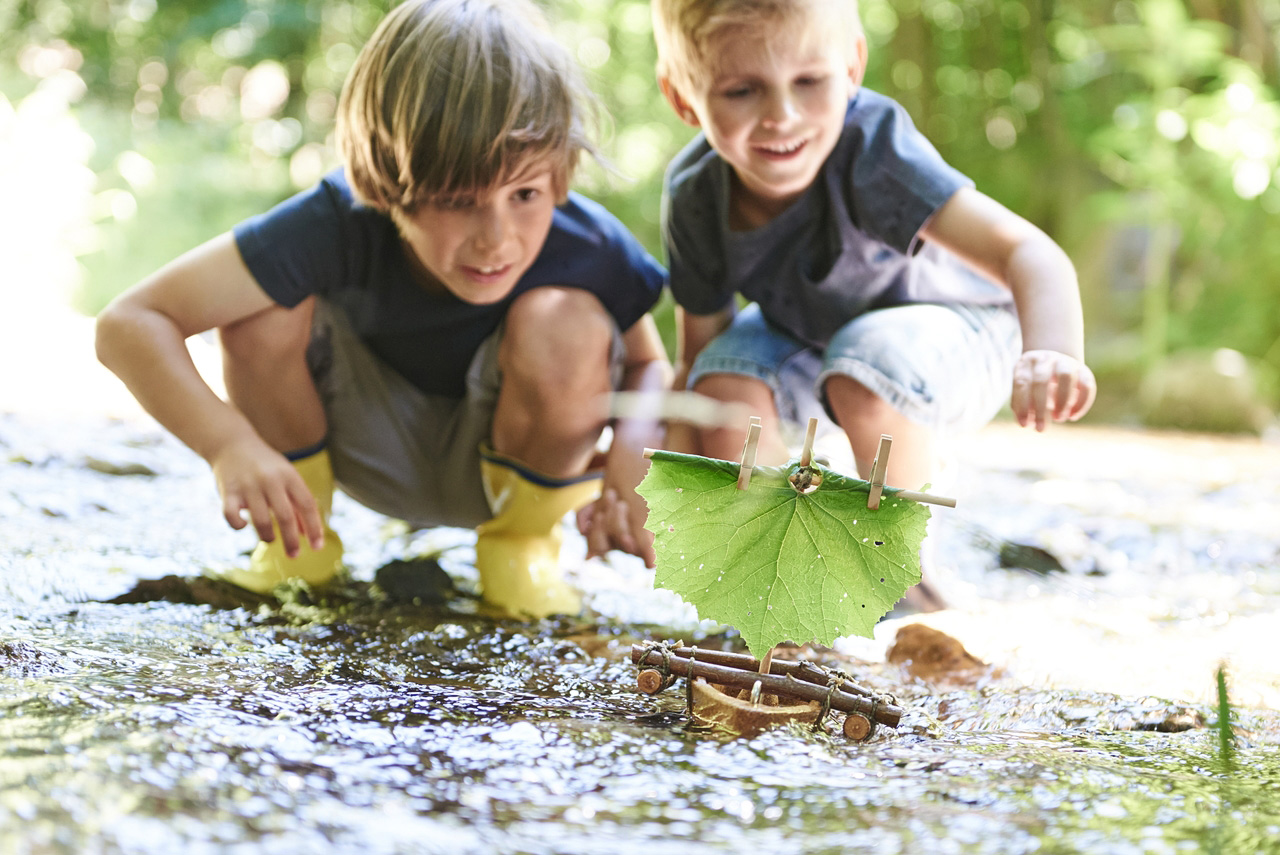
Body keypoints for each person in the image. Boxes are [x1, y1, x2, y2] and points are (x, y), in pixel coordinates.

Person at [95, 0, 670, 618]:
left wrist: (635, 458)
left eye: (525, 193)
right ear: (387, 181)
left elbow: (649, 367)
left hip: (513, 474)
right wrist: (229, 445)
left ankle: (521, 554)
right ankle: (298, 551)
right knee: (261, 306)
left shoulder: (586, 242)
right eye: (457, 199)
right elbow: (128, 324)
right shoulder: (334, 221)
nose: (498, 236)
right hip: (361, 454)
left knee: (568, 322)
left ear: (560, 175)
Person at [650, 0, 1096, 610]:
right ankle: (790, 582)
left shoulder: (871, 147)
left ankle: (906, 584)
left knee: (866, 368)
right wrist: (665, 481)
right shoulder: (696, 194)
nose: (782, 116)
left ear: (853, 64)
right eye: (741, 90)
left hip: (967, 332)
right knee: (722, 391)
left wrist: (1053, 352)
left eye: (808, 81)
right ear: (682, 99)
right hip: (816, 340)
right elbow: (698, 356)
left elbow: (1030, 252)